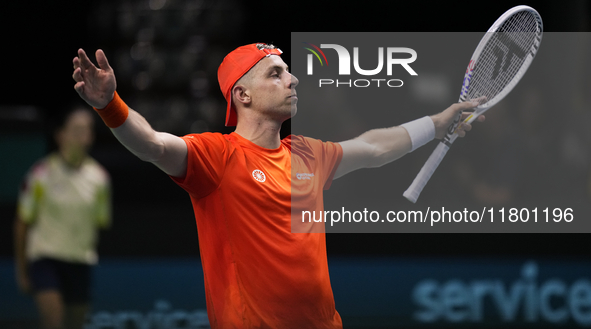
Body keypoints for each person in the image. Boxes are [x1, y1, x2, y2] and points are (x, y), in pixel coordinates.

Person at [71, 43, 482, 329]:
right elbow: (152, 144)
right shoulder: (217, 157)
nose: (293, 79)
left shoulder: (307, 155)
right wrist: (110, 104)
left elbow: (373, 146)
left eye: (288, 71)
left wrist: (438, 123)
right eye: (276, 73)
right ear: (242, 95)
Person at [14, 107, 111, 329]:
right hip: (45, 259)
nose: (82, 136)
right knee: (53, 322)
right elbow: (22, 222)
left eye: (86, 130)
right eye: (76, 130)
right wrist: (22, 271)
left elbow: (100, 223)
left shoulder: (100, 179)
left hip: (79, 262)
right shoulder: (40, 174)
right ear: (61, 135)